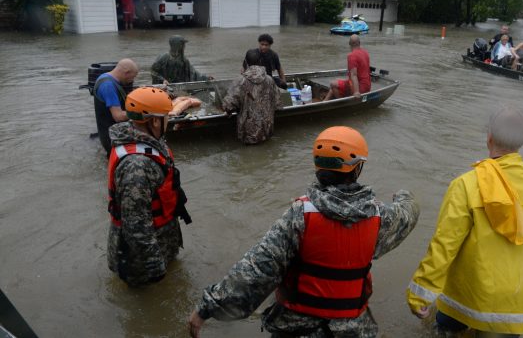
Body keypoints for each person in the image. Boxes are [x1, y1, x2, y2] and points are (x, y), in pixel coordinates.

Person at [188, 126, 420, 338]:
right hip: (354, 331)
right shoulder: (380, 217)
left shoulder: (299, 215)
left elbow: (256, 270)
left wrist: (206, 308)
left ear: (318, 167)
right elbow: (409, 214)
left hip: (297, 329)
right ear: (357, 168)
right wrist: (404, 196)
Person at [406, 107, 523, 337]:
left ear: (489, 137)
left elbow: (445, 245)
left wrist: (420, 293)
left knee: (444, 326)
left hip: (467, 299)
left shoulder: (466, 184)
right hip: (515, 305)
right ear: (521, 143)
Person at [107, 86, 193, 287]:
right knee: (149, 297)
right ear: (154, 121)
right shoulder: (137, 165)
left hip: (163, 237)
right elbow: (136, 225)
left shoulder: (146, 137)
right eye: (166, 117)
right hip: (140, 260)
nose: (168, 121)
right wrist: (154, 266)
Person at [222, 49, 283, 145]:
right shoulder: (270, 80)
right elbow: (278, 103)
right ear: (260, 61)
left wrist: (229, 111)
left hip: (248, 133)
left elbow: (228, 105)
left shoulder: (240, 81)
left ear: (246, 62)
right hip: (266, 130)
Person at [93, 58, 138, 156]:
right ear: (126, 73)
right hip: (112, 137)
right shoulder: (108, 86)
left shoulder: (107, 78)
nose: (132, 80)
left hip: (110, 133)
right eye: (132, 77)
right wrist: (141, 112)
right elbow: (118, 116)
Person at [324, 34, 371, 101]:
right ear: (359, 43)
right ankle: (325, 102)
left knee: (333, 84)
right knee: (335, 84)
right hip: (367, 86)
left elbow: (354, 75)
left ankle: (342, 103)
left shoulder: (352, 56)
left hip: (360, 88)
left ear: (349, 44)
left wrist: (356, 92)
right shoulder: (365, 53)